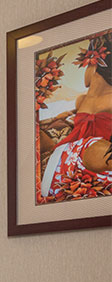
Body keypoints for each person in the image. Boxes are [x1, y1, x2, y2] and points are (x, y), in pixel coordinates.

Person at [38, 34, 112, 201]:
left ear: (94, 66)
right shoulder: (81, 100)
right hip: (70, 153)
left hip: (94, 156)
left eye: (86, 66)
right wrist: (61, 117)